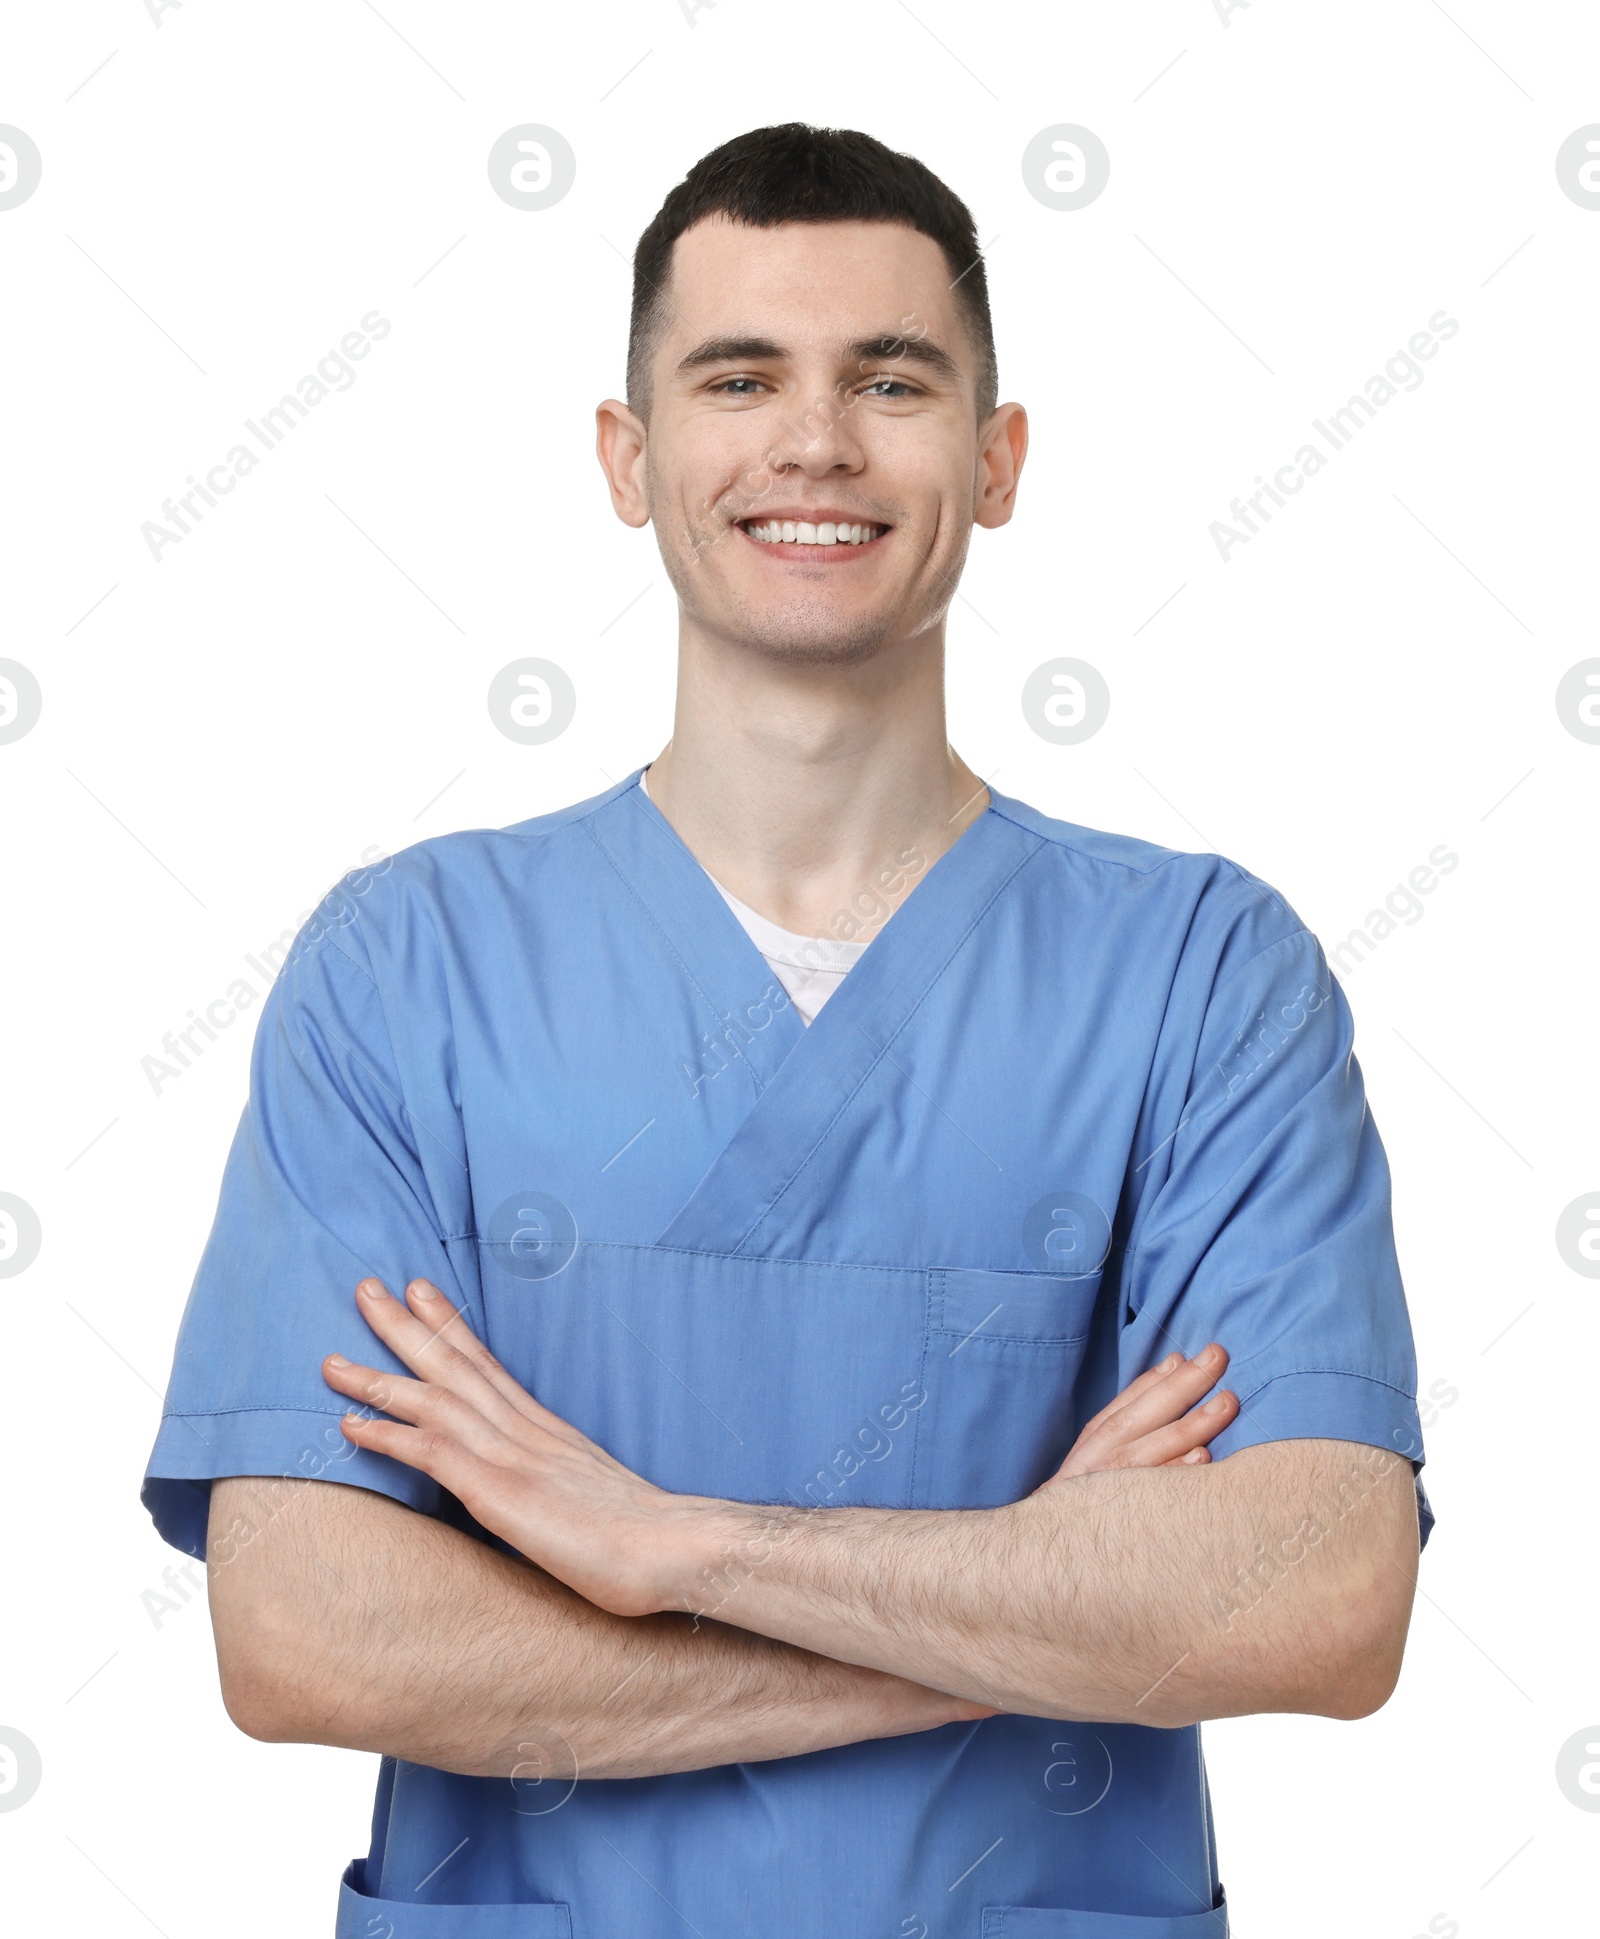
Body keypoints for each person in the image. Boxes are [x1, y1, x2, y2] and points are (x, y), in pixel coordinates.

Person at [143, 123, 1429, 1937]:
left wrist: (681, 1550)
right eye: (738, 376)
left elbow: (1320, 1591)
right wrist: (1016, 1616)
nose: (815, 442)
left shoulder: (1204, 976)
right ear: (629, 454)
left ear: (996, 462)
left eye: (890, 381)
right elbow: (303, 1634)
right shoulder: (406, 968)